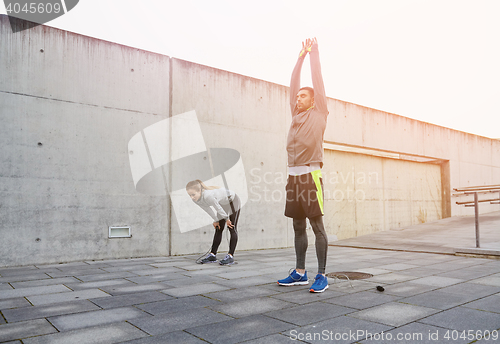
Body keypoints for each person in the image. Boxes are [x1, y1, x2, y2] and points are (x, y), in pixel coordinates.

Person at [277, 38, 330, 293]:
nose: (298, 98)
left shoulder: (319, 112)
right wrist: (298, 58)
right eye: (297, 97)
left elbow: (317, 80)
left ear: (313, 100)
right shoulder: (295, 113)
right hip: (293, 177)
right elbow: (292, 85)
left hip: (311, 175)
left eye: (303, 96)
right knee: (297, 225)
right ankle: (300, 272)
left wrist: (313, 54)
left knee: (316, 226)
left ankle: (322, 275)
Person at [186, 179, 240, 265]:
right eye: (190, 195)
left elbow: (217, 208)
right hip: (222, 204)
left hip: (233, 200)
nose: (192, 197)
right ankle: (212, 255)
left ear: (199, 191)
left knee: (231, 227)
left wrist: (227, 220)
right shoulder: (196, 200)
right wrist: (216, 220)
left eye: (193, 194)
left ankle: (230, 256)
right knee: (219, 228)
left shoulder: (208, 195)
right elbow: (208, 209)